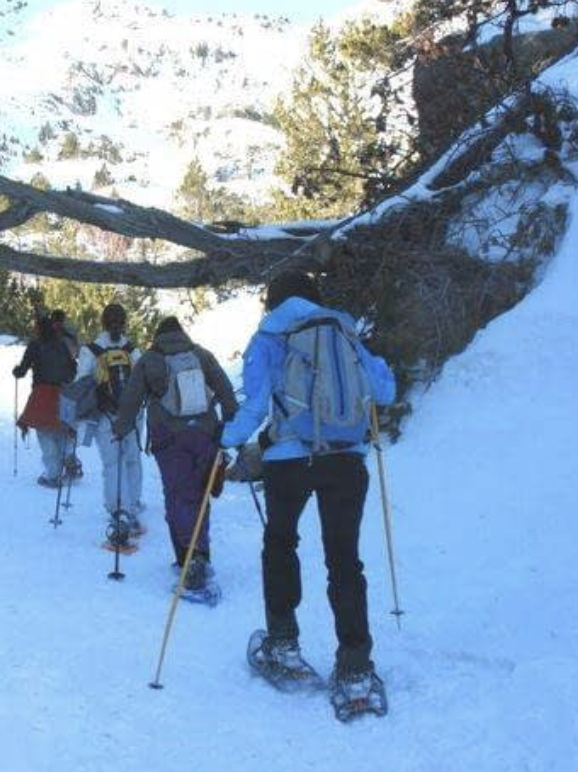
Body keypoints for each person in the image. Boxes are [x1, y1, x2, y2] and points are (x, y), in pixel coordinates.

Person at [220, 270, 396, 697]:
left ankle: (283, 645)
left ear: (272, 302)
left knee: (281, 545)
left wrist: (226, 439)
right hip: (345, 458)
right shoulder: (343, 329)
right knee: (344, 559)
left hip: (289, 460)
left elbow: (256, 403)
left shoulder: (268, 337)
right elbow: (385, 391)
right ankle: (355, 666)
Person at [113, 317, 237, 594]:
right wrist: (231, 422)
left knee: (178, 495)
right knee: (201, 492)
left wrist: (121, 428)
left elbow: (131, 399)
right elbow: (225, 389)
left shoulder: (150, 360)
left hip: (169, 436)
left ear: (158, 336)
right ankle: (199, 555)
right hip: (205, 432)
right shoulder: (201, 354)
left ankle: (190, 559)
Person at [77, 303, 144, 543]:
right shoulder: (132, 349)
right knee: (132, 459)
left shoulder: (92, 350)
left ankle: (119, 511)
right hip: (132, 414)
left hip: (105, 414)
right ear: (124, 323)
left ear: (102, 323)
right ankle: (133, 506)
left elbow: (82, 383)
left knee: (112, 463)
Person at [14, 313, 77, 488]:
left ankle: (53, 475)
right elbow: (73, 370)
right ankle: (70, 459)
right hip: (64, 392)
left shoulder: (35, 345)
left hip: (42, 393)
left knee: (45, 433)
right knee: (62, 430)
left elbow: (22, 370)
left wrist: (16, 371)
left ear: (39, 330)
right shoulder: (63, 345)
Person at [50, 309, 84, 480]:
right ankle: (71, 462)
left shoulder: (53, 336)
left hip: (59, 386)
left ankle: (67, 462)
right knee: (67, 425)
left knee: (62, 425)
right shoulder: (70, 336)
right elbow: (77, 354)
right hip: (69, 384)